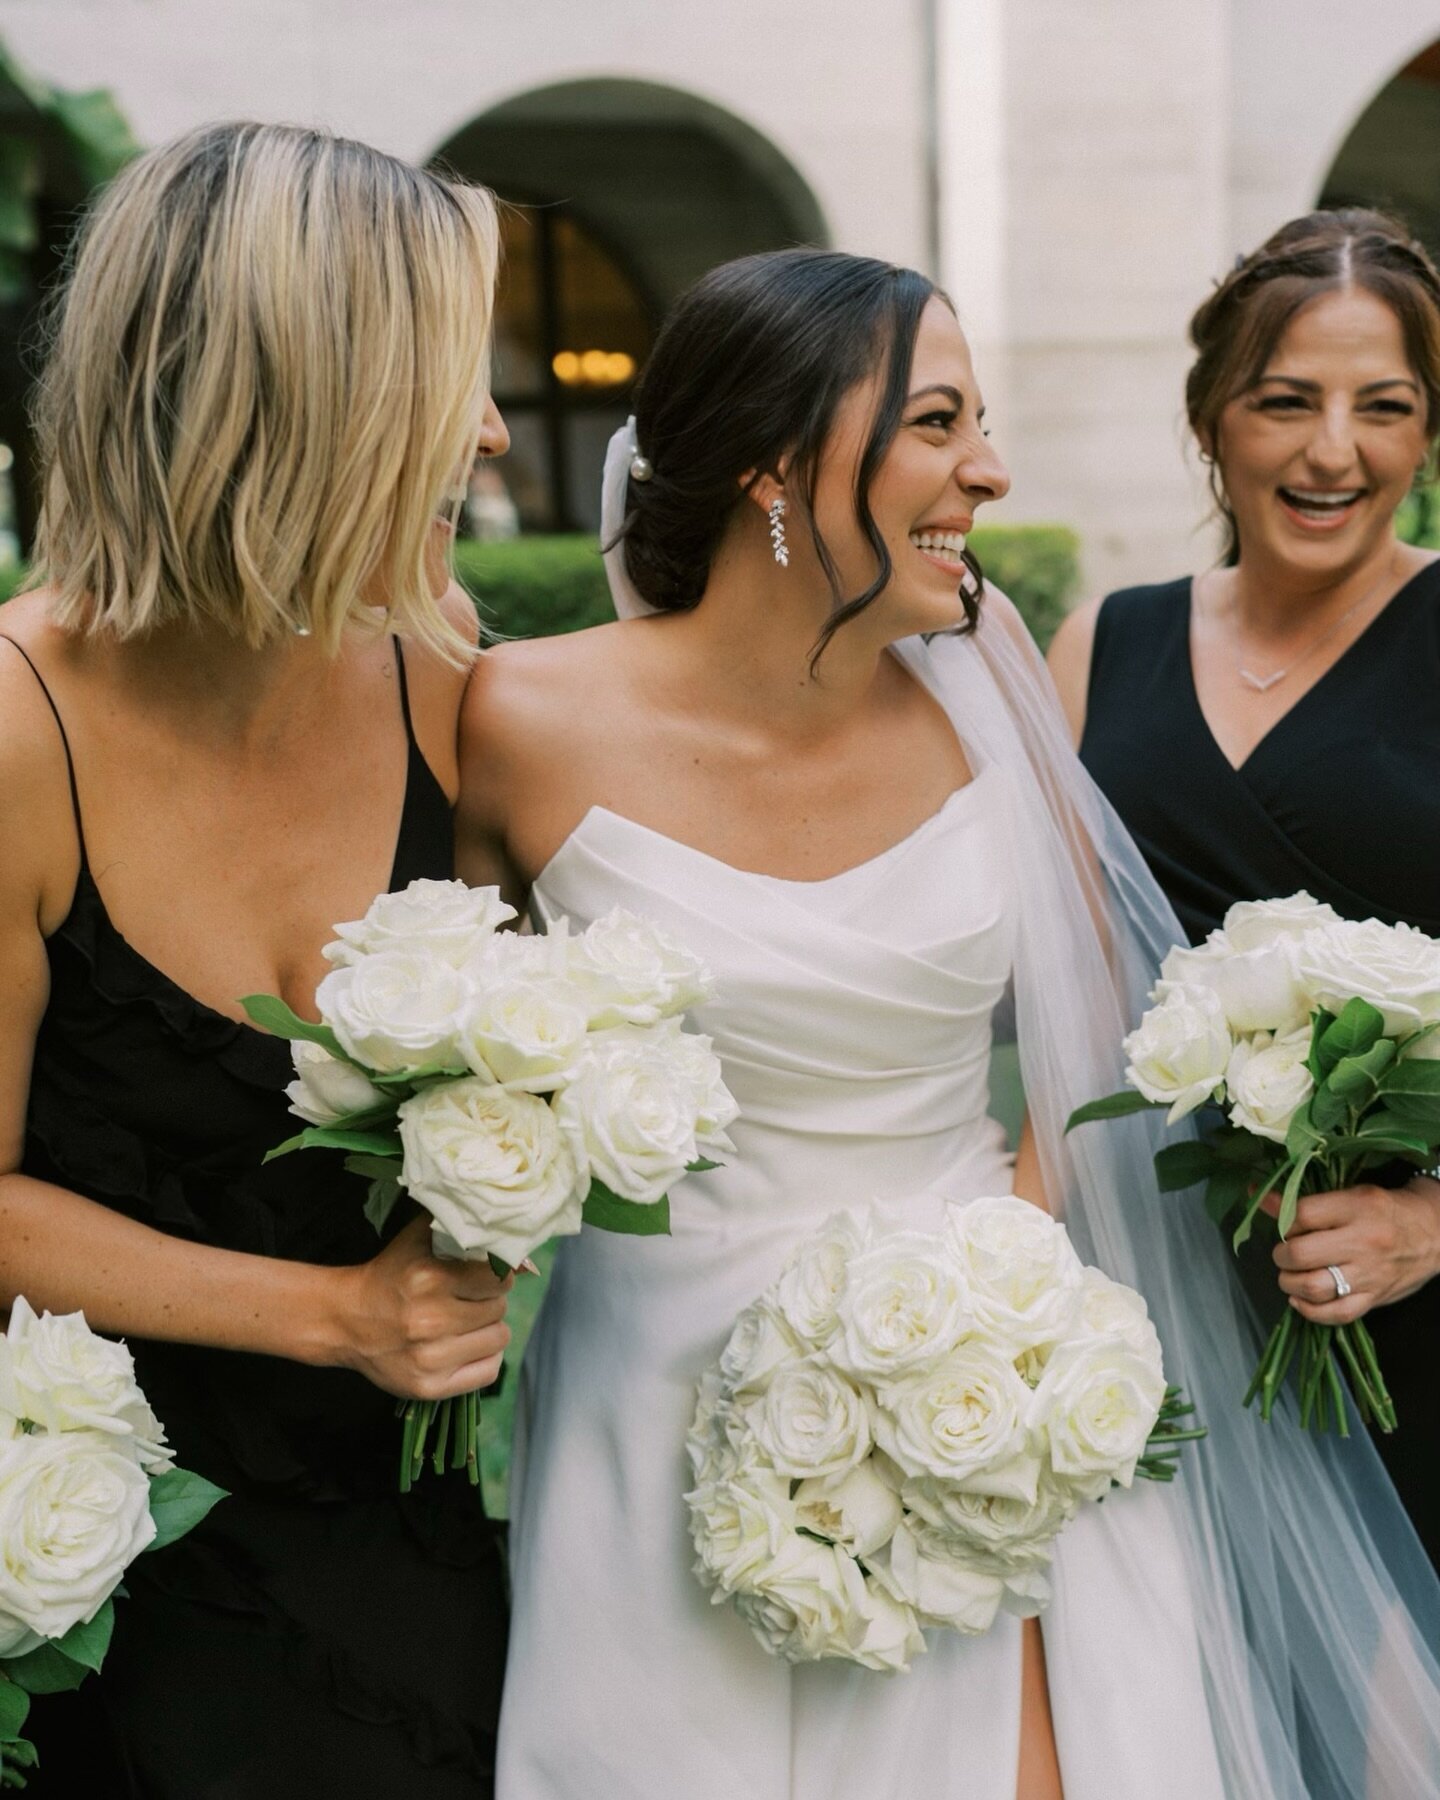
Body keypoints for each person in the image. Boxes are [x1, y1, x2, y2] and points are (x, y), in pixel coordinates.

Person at [459, 248, 1440, 1799]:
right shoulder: (510, 719)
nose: (987, 469)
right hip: (648, 1399)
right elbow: (462, 1077)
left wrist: (974, 1320)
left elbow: (1106, 1050)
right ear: (777, 462)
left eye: (979, 422)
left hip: (977, 1380)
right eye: (937, 423)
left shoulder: (992, 713)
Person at [0, 123, 513, 1798]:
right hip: (118, 1578)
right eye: (454, 381)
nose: (495, 432)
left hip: (430, 1549)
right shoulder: (21, 732)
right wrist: (339, 1316)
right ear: (302, 403)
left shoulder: (442, 673)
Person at [1049, 208, 1440, 1566]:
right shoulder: (1106, 641)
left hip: (1402, 1298)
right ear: (1213, 419)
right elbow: (1044, 969)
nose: (1335, 450)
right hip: (1146, 1293)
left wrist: (1426, 1223)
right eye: (1286, 402)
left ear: (1428, 434)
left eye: (1383, 406)